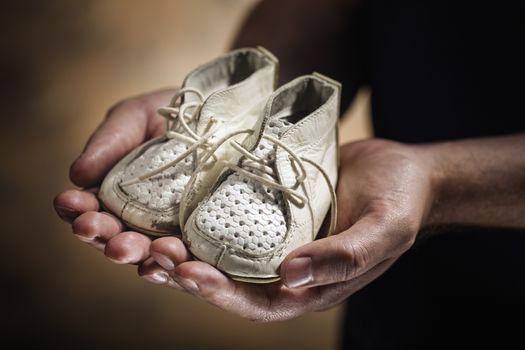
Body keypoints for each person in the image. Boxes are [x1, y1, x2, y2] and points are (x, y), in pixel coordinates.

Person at [54, 0, 525, 348]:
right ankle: (257, 123)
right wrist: (256, 105)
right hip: (405, 300)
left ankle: (289, 140)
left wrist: (439, 182)